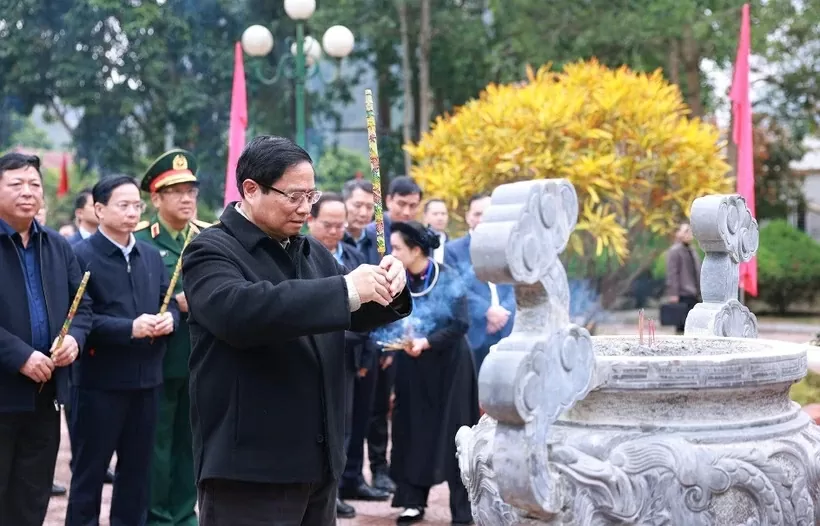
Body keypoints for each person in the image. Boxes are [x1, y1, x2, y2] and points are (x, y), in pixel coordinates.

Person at [182, 135, 411, 525]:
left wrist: (390, 286)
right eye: (294, 196)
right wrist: (345, 290)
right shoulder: (210, 250)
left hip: (318, 462)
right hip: (249, 468)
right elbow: (243, 314)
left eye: (311, 195)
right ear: (251, 190)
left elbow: (352, 309)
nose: (306, 208)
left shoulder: (310, 251)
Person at [67, 175, 180, 526]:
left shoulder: (149, 253)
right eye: (123, 205)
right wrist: (129, 328)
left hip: (147, 380)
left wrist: (170, 320)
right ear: (99, 209)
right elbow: (77, 319)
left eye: (137, 205)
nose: (132, 213)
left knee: (137, 474)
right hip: (99, 383)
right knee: (90, 472)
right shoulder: (80, 255)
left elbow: (168, 302)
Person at [0, 152, 91, 526]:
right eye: (16, 184)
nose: (28, 192)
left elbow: (82, 305)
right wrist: (19, 355)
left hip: (46, 393)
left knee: (32, 495)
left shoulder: (56, 245)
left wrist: (76, 340)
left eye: (34, 184)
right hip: (4, 389)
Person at [384, 220, 479, 524]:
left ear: (415, 250)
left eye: (397, 248)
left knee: (457, 435)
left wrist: (427, 341)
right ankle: (412, 500)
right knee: (411, 430)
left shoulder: (447, 277)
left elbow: (460, 323)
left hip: (450, 366)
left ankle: (463, 511)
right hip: (412, 366)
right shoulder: (395, 280)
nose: (392, 253)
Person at [135, 149, 211, 526]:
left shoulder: (207, 237)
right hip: (157, 357)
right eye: (176, 191)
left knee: (191, 443)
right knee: (156, 444)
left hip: (199, 357)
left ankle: (184, 515)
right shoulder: (141, 241)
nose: (187, 198)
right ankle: (157, 516)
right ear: (156, 198)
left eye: (191, 191)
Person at [307, 192, 386, 518]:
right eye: (328, 224)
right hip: (314, 357)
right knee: (320, 427)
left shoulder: (354, 255)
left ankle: (342, 485)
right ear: (311, 220)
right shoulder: (302, 258)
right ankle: (322, 490)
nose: (335, 231)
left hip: (351, 357)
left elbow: (367, 310)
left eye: (340, 226)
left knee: (349, 425)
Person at [361, 175, 423, 493]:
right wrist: (383, 342)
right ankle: (376, 469)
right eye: (401, 204)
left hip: (411, 330)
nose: (407, 211)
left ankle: (400, 471)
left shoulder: (417, 235)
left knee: (400, 407)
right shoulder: (374, 235)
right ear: (388, 201)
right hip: (375, 332)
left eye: (414, 205)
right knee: (375, 407)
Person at [445, 193, 515, 374]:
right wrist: (487, 311)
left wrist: (503, 314)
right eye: (477, 214)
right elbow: (455, 288)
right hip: (474, 332)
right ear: (468, 217)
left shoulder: (509, 246)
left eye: (488, 214)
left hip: (508, 331)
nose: (482, 219)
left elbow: (518, 284)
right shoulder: (452, 251)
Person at [665, 223, 701, 334]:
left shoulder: (692, 250)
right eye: (686, 231)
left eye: (690, 231)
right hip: (682, 294)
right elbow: (672, 274)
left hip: (693, 294)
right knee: (681, 325)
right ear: (678, 233)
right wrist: (673, 294)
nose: (689, 234)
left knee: (693, 326)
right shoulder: (675, 251)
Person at [422, 198, 448, 263]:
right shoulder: (419, 242)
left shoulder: (453, 245)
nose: (440, 218)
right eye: (435, 214)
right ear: (425, 216)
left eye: (443, 214)